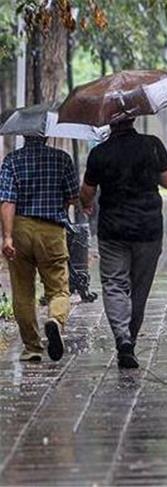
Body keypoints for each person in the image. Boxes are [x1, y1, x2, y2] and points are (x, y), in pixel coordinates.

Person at [80, 118, 167, 369]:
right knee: (139, 288)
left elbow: (87, 193)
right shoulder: (152, 145)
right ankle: (129, 339)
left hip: (112, 229)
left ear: (109, 123)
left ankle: (122, 338)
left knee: (114, 283)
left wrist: (87, 204)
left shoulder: (99, 153)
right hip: (148, 229)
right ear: (134, 118)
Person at [0, 136, 79, 362]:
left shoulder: (12, 160)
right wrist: (60, 204)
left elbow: (6, 201)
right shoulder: (62, 159)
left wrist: (7, 237)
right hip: (52, 230)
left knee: (23, 292)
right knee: (59, 288)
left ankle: (32, 347)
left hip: (20, 229)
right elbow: (73, 195)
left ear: (24, 135)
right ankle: (55, 319)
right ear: (45, 135)